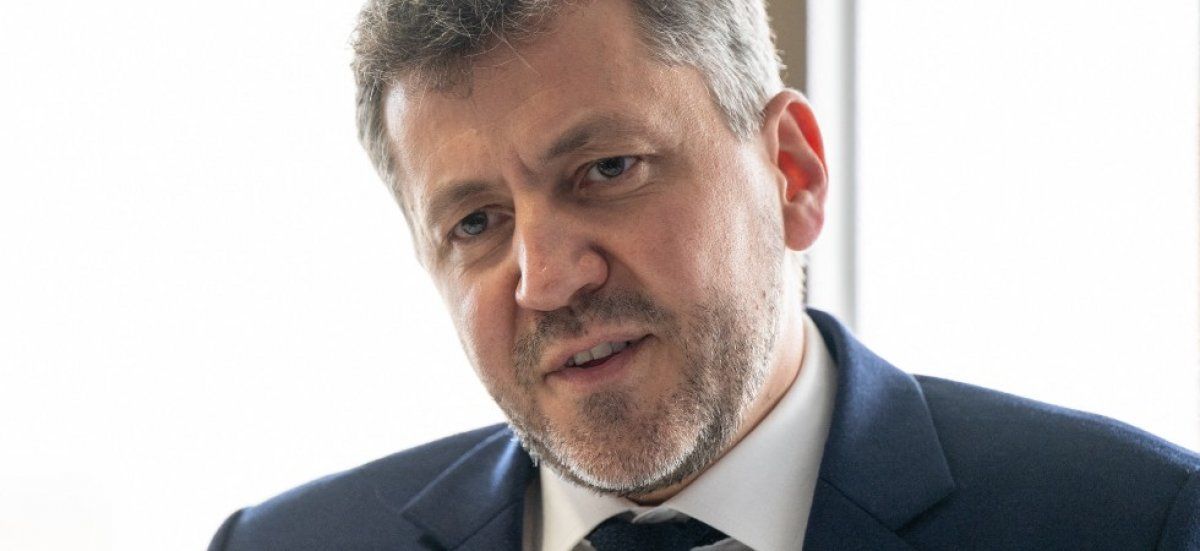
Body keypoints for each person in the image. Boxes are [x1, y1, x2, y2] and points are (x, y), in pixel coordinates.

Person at [208, 0, 1200, 549]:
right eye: (476, 222)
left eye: (608, 169)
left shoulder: (1132, 524)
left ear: (792, 173)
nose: (546, 278)